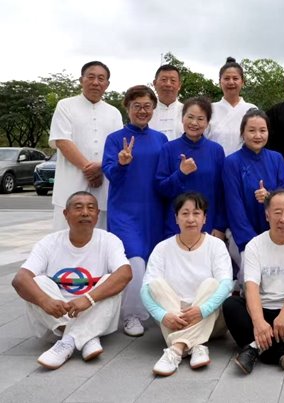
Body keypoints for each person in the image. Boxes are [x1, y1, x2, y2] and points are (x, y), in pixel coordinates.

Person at [11, 191, 132, 370]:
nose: (85, 213)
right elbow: (20, 279)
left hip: (92, 309)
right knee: (37, 283)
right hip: (57, 317)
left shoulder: (109, 240)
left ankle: (68, 341)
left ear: (97, 214)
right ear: (66, 214)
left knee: (111, 280)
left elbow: (125, 273)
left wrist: (88, 299)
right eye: (78, 207)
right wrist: (45, 301)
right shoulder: (49, 242)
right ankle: (86, 337)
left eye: (91, 208)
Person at [222, 190, 284, 374]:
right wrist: (259, 322)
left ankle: (255, 349)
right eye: (277, 213)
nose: (283, 219)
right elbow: (251, 287)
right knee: (231, 305)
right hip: (263, 309)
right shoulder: (254, 245)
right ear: (267, 215)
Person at [141, 192, 233, 376]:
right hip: (174, 317)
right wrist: (162, 315)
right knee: (155, 284)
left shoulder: (216, 245)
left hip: (210, 317)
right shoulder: (162, 248)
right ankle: (197, 346)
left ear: (204, 218)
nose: (191, 219)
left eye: (196, 213)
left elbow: (226, 285)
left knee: (212, 284)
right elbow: (145, 290)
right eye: (185, 213)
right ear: (176, 218)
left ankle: (176, 349)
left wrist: (202, 310)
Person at [103, 85, 168, 337]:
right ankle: (131, 314)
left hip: (155, 209)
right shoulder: (114, 139)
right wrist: (121, 163)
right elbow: (111, 174)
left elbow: (165, 175)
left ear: (154, 108)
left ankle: (155, 309)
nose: (142, 111)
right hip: (125, 210)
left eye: (147, 106)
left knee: (154, 261)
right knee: (135, 259)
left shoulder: (161, 139)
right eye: (136, 106)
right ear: (127, 108)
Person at [49, 61, 123, 230]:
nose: (95, 82)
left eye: (101, 78)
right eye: (91, 77)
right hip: (70, 184)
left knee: (101, 236)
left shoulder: (114, 113)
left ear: (107, 84)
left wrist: (101, 167)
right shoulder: (65, 105)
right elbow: (62, 141)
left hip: (103, 186)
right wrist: (89, 169)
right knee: (65, 235)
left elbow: (118, 147)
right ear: (81, 80)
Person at [223, 109, 284, 270]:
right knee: (250, 276)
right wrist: (250, 242)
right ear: (242, 133)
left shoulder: (277, 159)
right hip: (243, 236)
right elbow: (234, 205)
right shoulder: (231, 162)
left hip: (275, 233)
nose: (258, 135)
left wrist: (269, 197)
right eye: (252, 130)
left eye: (262, 130)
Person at [156, 97, 227, 240]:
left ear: (207, 122)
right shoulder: (168, 148)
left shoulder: (216, 150)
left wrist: (220, 226)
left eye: (200, 119)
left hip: (208, 226)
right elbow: (161, 189)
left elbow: (222, 192)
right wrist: (181, 173)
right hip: (176, 226)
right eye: (190, 117)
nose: (194, 123)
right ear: (182, 118)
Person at [205, 57, 257, 156]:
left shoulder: (251, 109)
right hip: (215, 162)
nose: (231, 82)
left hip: (245, 163)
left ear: (242, 82)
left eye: (235, 78)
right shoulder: (209, 109)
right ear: (220, 82)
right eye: (226, 78)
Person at [149, 65, 183, 141]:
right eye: (163, 80)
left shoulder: (187, 112)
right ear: (154, 83)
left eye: (173, 80)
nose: (168, 84)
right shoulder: (145, 113)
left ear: (179, 85)